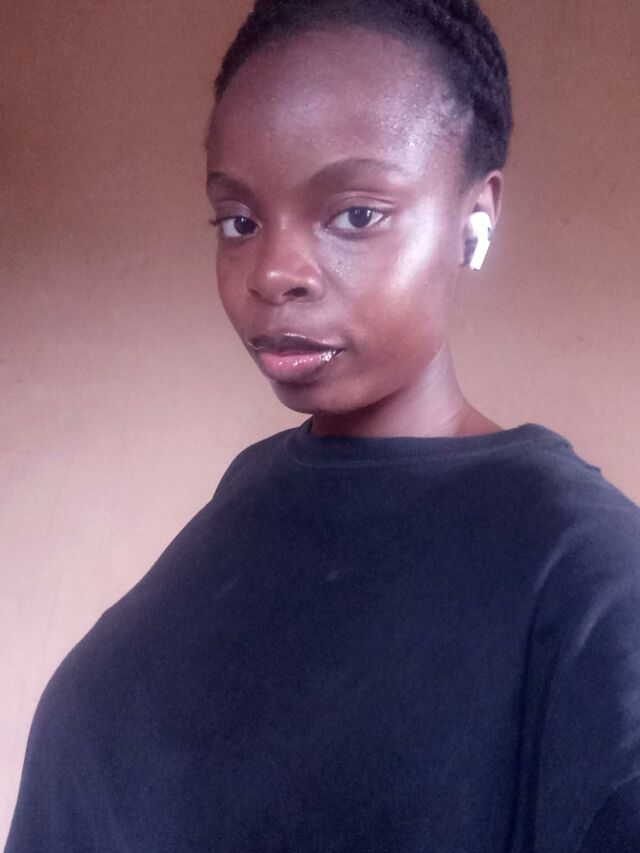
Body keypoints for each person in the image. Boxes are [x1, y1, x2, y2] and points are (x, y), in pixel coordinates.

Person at [6, 1, 640, 851]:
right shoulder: (258, 485)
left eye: (356, 214)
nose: (273, 273)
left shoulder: (588, 574)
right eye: (240, 221)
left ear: (474, 216)